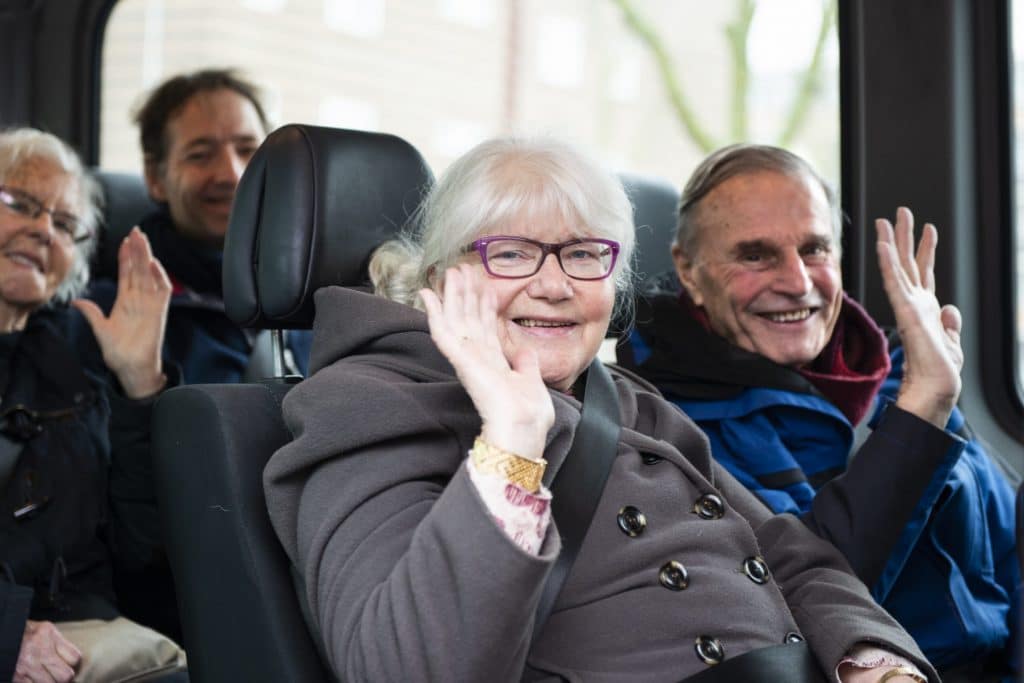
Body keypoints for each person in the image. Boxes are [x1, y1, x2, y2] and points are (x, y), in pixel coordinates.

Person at [264, 136, 953, 681]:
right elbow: (408, 669)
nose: (556, 284)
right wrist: (511, 445)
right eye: (511, 253)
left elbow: (793, 557)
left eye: (585, 254)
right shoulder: (366, 403)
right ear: (445, 278)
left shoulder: (629, 401)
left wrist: (876, 661)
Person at [617, 144, 1018, 681]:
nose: (798, 282)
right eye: (755, 255)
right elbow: (801, 598)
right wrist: (920, 416)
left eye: (814, 249)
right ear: (689, 270)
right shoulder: (670, 429)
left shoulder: (904, 370)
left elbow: (1012, 543)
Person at [0, 128, 175, 682]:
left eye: (65, 224)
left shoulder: (78, 356)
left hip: (86, 629)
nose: (42, 229)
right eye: (19, 203)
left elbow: (144, 555)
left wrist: (139, 383)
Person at [89, 67, 310, 385]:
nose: (232, 174)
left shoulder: (318, 294)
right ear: (155, 178)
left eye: (247, 150)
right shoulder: (117, 311)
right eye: (200, 155)